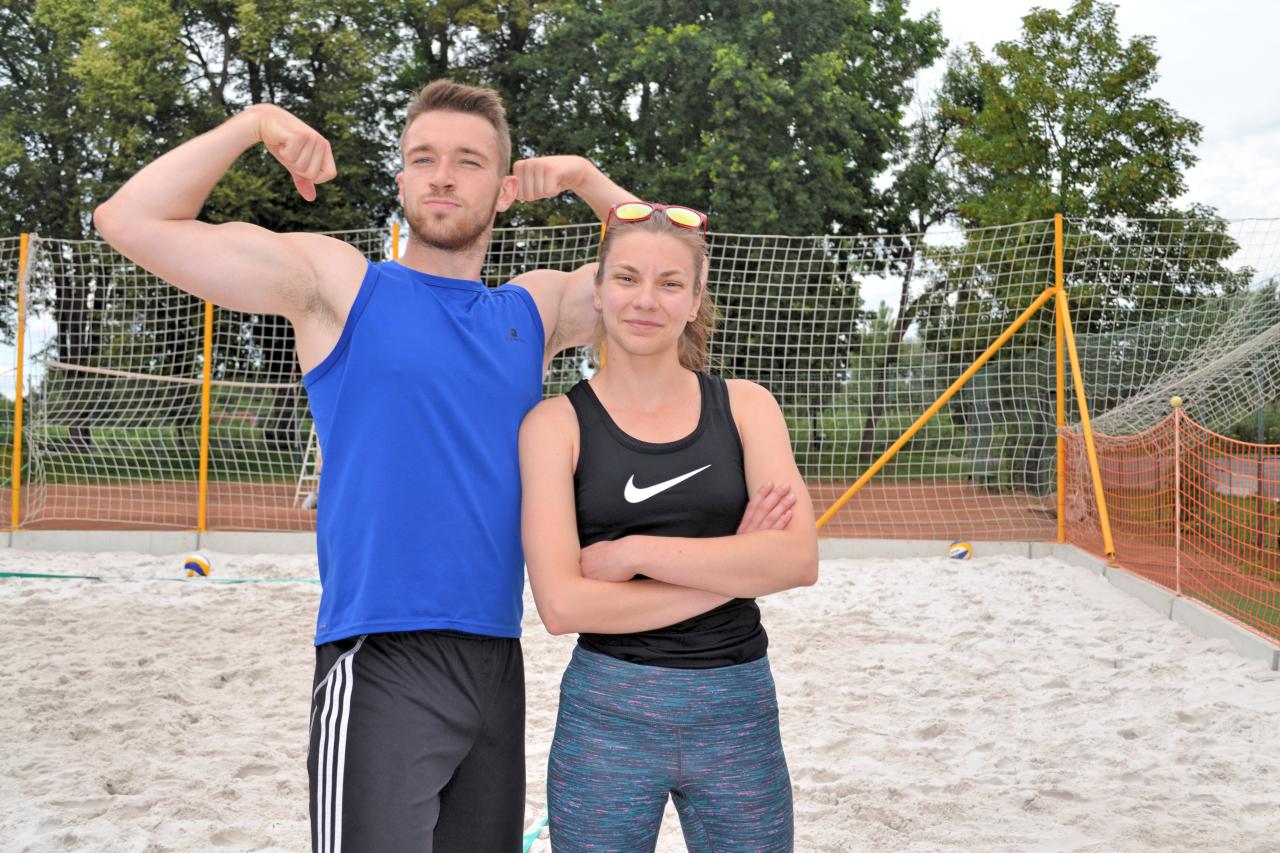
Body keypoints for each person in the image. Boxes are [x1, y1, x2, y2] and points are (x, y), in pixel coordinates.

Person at [93, 79, 638, 852]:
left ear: (505, 189)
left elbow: (669, 266)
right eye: (423, 158)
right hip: (381, 655)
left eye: (468, 161)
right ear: (402, 179)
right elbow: (128, 221)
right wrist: (252, 124)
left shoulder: (531, 310)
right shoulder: (341, 286)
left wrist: (585, 178)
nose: (442, 176)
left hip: (495, 658)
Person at [518, 202, 820, 851]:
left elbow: (797, 559)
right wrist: (737, 562)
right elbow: (564, 605)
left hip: (737, 713)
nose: (646, 299)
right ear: (598, 290)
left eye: (670, 283)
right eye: (627, 278)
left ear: (694, 300)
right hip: (608, 718)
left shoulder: (747, 406)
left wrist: (636, 551)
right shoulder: (554, 425)